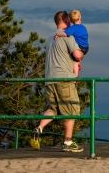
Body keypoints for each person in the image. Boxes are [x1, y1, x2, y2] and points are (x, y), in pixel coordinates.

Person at [30, 10, 84, 153]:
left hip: (49, 79)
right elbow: (77, 55)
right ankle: (68, 142)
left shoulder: (49, 39)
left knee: (53, 109)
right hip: (64, 79)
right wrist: (82, 53)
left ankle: (39, 128)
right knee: (71, 109)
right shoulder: (68, 36)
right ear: (67, 20)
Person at [55, 9, 89, 76]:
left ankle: (75, 76)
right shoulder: (83, 27)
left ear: (70, 20)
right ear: (80, 17)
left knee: (75, 62)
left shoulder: (72, 28)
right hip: (86, 47)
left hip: (80, 48)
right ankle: (79, 64)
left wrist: (58, 34)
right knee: (77, 60)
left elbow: (66, 34)